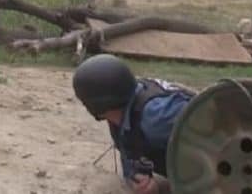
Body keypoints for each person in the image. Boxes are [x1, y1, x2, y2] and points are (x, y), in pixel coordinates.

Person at [72, 54, 193, 194]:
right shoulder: (122, 120)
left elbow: (214, 127)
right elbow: (131, 159)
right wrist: (143, 182)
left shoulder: (156, 118)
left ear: (96, 105)